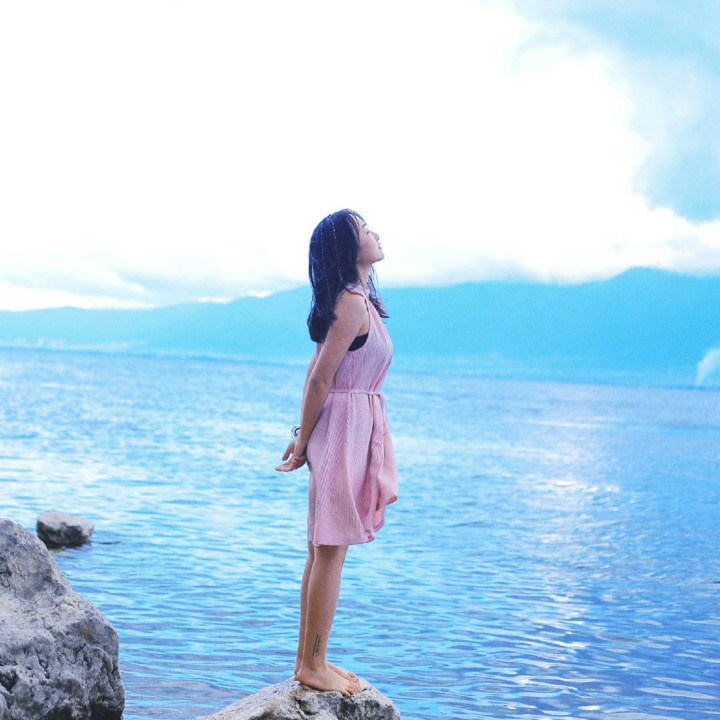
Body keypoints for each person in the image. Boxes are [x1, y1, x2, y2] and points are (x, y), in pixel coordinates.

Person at [275, 209, 398, 697]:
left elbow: (318, 372)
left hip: (347, 428)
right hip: (342, 430)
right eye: (364, 230)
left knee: (323, 549)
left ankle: (310, 659)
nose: (375, 233)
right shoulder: (350, 302)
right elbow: (320, 377)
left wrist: (305, 435)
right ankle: (312, 665)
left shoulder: (357, 300)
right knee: (329, 550)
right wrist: (303, 440)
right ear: (349, 249)